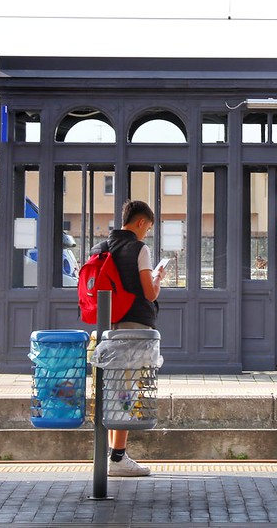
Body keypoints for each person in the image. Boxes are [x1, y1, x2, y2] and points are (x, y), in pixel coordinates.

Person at [94, 199, 163, 477]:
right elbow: (149, 293)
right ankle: (118, 458)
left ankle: (114, 455)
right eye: (147, 227)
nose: (146, 232)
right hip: (134, 327)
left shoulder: (101, 247)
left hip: (107, 327)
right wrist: (158, 277)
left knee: (113, 390)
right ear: (141, 222)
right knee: (126, 392)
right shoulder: (139, 248)